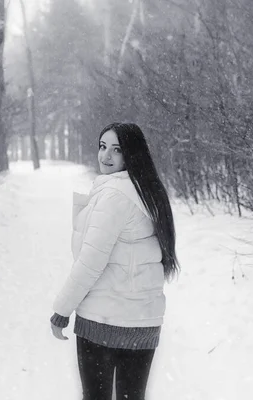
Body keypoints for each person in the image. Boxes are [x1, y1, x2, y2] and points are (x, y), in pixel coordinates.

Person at [50, 122, 180, 400]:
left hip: (102, 321)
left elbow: (90, 262)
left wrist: (61, 310)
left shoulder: (114, 195)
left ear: (130, 155)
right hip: (143, 322)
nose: (105, 156)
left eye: (116, 150)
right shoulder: (148, 192)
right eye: (102, 147)